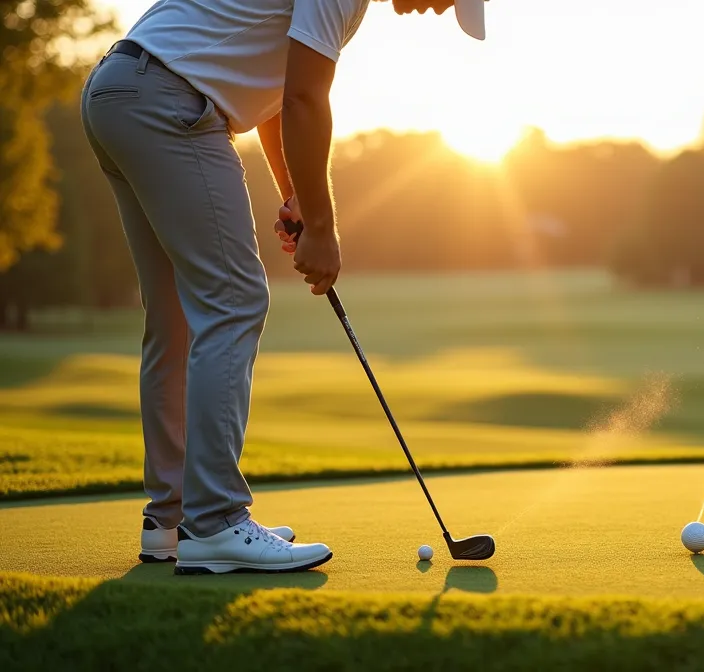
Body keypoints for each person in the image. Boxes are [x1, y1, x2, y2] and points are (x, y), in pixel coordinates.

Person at [79, 0, 487, 575]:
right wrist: (321, 227)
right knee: (234, 302)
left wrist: (295, 192)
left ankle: (170, 520)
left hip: (118, 90)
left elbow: (277, 94)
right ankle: (215, 521)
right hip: (170, 102)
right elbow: (303, 99)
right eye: (448, 0)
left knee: (172, 316)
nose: (437, 10)